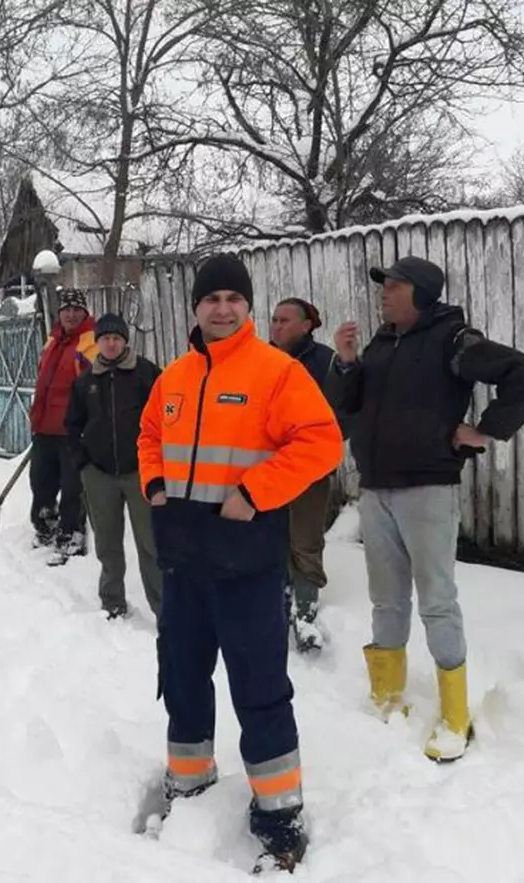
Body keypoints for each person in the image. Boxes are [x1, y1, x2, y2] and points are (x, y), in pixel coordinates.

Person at [138, 254, 343, 871]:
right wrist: (154, 485)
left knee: (259, 691)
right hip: (184, 565)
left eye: (233, 298)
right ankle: (189, 783)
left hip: (247, 568)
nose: (222, 308)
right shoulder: (172, 377)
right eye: (211, 298)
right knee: (183, 681)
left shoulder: (275, 372)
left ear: (247, 307)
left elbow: (322, 441)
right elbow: (150, 436)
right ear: (195, 307)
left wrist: (254, 492)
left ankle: (279, 818)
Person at [328, 255, 524, 761]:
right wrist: (346, 362)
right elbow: (348, 404)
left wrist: (486, 430)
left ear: (421, 293)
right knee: (386, 600)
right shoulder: (381, 342)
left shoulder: (453, 340)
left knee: (437, 601)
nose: (384, 293)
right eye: (384, 285)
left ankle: (454, 715)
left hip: (428, 490)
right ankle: (387, 696)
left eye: (394, 285)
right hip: (376, 489)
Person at [65, 312, 162, 622]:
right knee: (107, 542)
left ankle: (165, 609)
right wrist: (83, 464)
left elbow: (165, 418)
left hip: (140, 473)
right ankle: (112, 601)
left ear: (125, 341)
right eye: (105, 338)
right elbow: (72, 425)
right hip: (99, 474)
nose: (111, 343)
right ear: (97, 342)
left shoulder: (146, 374)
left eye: (116, 338)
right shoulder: (85, 382)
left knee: (151, 544)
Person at [270, 297, 342, 653]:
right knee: (275, 534)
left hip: (310, 469)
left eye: (285, 320)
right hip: (269, 468)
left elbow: (339, 415)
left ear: (306, 325)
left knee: (306, 538)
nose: (276, 326)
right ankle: (279, 598)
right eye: (274, 320)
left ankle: (306, 609)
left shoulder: (326, 362)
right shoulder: (263, 360)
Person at [28, 288, 98, 565]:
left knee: (72, 487)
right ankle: (46, 525)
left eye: (76, 309)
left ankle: (72, 534)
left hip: (73, 431)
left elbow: (94, 388)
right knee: (40, 481)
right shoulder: (52, 341)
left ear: (84, 312)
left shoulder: (90, 343)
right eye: (66, 309)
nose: (70, 314)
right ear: (59, 313)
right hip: (45, 427)